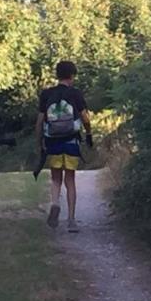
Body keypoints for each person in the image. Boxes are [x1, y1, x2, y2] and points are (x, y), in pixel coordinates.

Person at [35, 60, 92, 233]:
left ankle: (54, 203)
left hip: (53, 141)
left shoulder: (46, 94)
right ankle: (72, 220)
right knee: (70, 180)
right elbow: (85, 118)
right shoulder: (75, 94)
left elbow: (39, 121)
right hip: (71, 141)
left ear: (57, 75)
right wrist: (89, 133)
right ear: (72, 75)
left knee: (56, 179)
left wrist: (39, 143)